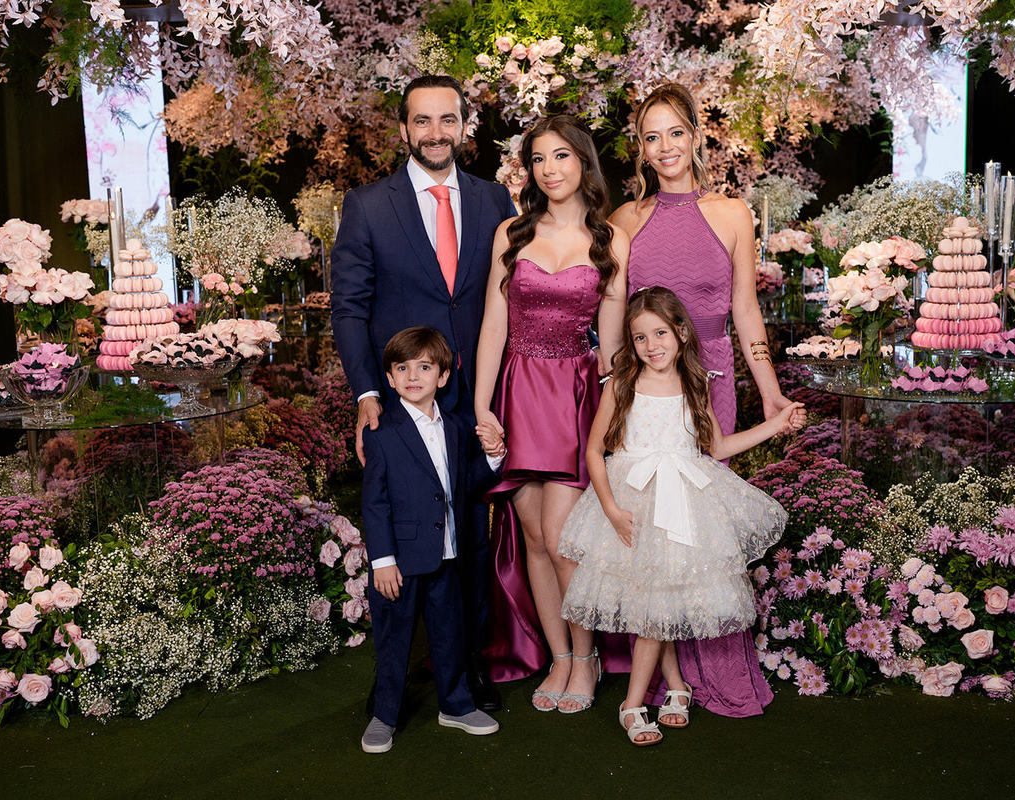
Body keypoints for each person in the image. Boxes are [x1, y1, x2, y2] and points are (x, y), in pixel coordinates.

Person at [608, 82, 795, 717]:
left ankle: (707, 667)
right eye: (651, 137)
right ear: (640, 148)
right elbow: (616, 316)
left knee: (702, 530)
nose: (665, 147)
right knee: (656, 531)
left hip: (711, 381)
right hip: (649, 391)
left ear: (695, 136)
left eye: (675, 133)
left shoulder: (734, 214)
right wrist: (614, 386)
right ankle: (665, 675)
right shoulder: (626, 220)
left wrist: (770, 392)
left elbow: (746, 310)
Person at [332, 75, 516, 711]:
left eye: (448, 119)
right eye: (422, 121)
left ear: (464, 126)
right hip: (406, 400)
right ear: (403, 129)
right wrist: (366, 394)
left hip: (476, 395)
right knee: (412, 535)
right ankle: (398, 676)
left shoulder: (495, 200)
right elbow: (349, 309)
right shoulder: (367, 206)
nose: (436, 133)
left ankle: (465, 669)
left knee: (472, 539)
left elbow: (510, 296)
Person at [558, 288, 806, 746]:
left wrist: (776, 424)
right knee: (655, 603)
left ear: (681, 333)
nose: (651, 345)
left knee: (661, 603)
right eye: (640, 338)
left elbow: (719, 447)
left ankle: (651, 696)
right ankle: (650, 697)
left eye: (660, 333)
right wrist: (611, 509)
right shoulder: (620, 384)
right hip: (633, 503)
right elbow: (595, 451)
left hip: (685, 505)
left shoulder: (695, 385)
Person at [474, 115, 628, 712]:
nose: (549, 169)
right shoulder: (511, 233)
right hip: (517, 392)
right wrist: (483, 405)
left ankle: (586, 660)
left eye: (561, 156)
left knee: (564, 541)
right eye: (538, 159)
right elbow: (494, 325)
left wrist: (614, 422)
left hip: (572, 398)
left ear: (584, 162)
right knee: (534, 537)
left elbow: (612, 350)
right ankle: (560, 658)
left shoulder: (610, 240)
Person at [359, 327, 508, 754]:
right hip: (400, 562)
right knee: (394, 639)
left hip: (448, 554)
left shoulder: (457, 427)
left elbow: (466, 485)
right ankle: (384, 715)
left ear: (442, 376)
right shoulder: (381, 431)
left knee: (449, 634)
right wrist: (383, 560)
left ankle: (456, 706)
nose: (413, 376)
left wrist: (494, 456)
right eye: (402, 368)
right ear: (390, 378)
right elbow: (375, 502)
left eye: (424, 367)